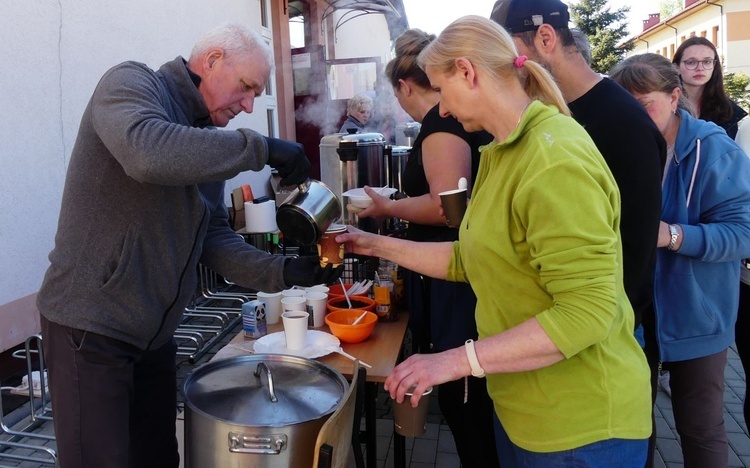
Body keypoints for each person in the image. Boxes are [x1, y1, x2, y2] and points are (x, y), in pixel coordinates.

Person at [338, 15, 651, 467]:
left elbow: (588, 311)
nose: (441, 110)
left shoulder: (552, 159)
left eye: (442, 91)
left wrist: (451, 362)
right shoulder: (501, 152)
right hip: (524, 411)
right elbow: (472, 257)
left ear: (467, 71)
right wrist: (373, 244)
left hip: (580, 428)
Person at [35, 23, 343, 468]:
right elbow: (148, 154)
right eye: (246, 87)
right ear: (212, 60)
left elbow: (212, 237)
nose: (250, 105)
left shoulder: (209, 144)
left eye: (256, 94)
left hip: (153, 337)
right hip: (92, 328)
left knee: (158, 458)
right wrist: (262, 149)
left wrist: (284, 274)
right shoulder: (131, 84)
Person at [354, 29, 498, 468]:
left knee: (464, 400)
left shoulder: (440, 122)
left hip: (457, 282)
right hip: (453, 272)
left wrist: (388, 206)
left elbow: (447, 208)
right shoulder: (443, 121)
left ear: (403, 85)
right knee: (464, 400)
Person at [490, 0, 665, 333]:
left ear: (545, 38)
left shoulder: (623, 124)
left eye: (510, 56)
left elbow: (633, 253)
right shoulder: (552, 113)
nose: (508, 70)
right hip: (559, 327)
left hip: (607, 336)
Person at [610, 53, 750, 468]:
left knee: (701, 428)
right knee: (635, 425)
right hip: (632, 311)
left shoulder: (714, 149)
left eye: (644, 105)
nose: (631, 118)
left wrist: (673, 236)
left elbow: (743, 233)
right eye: (624, 107)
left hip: (697, 316)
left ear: (675, 98)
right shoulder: (618, 146)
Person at [672, 36, 748, 139]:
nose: (700, 68)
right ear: (676, 67)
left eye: (707, 62)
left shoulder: (727, 110)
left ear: (714, 65)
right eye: (691, 62)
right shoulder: (667, 106)